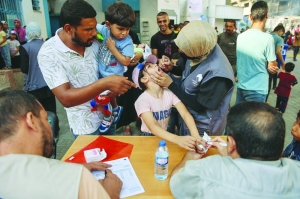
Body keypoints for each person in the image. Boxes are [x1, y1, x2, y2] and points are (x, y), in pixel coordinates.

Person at [37, 0, 135, 138]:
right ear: (69, 29)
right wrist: (106, 84)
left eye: (95, 27)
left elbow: (123, 46)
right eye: (89, 29)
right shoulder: (49, 53)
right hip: (85, 127)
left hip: (108, 118)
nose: (95, 33)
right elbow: (65, 98)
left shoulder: (94, 41)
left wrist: (136, 55)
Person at [0, 90, 122, 199]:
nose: (49, 126)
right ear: (31, 121)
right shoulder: (77, 180)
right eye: (46, 119)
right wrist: (110, 194)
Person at [170, 102, 300, 198]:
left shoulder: (207, 171)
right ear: (281, 142)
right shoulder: (296, 172)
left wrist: (190, 156)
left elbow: (176, 183)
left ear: (231, 144)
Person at [153, 20, 235, 136]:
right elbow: (185, 67)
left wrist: (171, 85)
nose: (180, 51)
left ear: (197, 52)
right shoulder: (201, 47)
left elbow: (199, 105)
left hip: (203, 127)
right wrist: (171, 68)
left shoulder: (218, 75)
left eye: (184, 50)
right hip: (187, 118)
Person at [133, 54, 200, 151]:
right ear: (144, 79)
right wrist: (177, 139)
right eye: (149, 66)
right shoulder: (142, 100)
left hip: (165, 134)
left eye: (154, 64)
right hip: (148, 136)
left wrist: (196, 136)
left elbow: (185, 114)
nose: (156, 65)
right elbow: (152, 127)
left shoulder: (169, 92)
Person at [95, 1, 135, 133]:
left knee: (100, 100)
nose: (124, 33)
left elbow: (126, 61)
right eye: (121, 29)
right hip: (102, 73)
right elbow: (93, 27)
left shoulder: (127, 41)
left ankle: (107, 116)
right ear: (108, 24)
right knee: (109, 98)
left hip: (114, 77)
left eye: (127, 29)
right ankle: (116, 108)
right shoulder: (104, 31)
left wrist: (113, 48)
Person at [236, 1, 278, 104]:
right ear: (266, 15)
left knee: (239, 119)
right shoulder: (268, 38)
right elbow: (272, 66)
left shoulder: (240, 37)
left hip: (241, 86)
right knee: (255, 120)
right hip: (257, 89)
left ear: (250, 16)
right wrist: (273, 66)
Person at [20, 22, 58, 119]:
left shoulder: (25, 47)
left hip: (33, 87)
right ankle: (54, 129)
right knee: (51, 109)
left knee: (37, 111)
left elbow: (24, 69)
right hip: (49, 84)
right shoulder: (47, 45)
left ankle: (43, 130)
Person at [116, 30, 144, 135]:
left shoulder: (132, 34)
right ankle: (125, 125)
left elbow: (139, 48)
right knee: (122, 100)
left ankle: (138, 120)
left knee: (135, 98)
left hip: (133, 73)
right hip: (119, 72)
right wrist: (125, 61)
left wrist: (138, 56)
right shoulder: (108, 33)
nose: (124, 32)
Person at [266, 24, 286, 102]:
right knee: (269, 82)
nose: (282, 35)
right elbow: (278, 52)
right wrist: (283, 62)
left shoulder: (267, 36)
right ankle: (264, 100)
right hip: (273, 62)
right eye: (282, 33)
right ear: (280, 30)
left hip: (263, 61)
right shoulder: (279, 39)